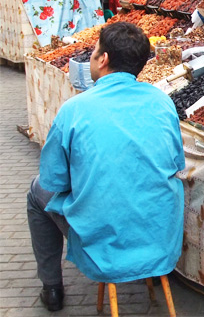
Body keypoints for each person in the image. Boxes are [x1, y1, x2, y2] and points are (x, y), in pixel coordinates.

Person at [26, 22, 185, 312]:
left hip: (104, 242)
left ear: (104, 58)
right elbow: (176, 162)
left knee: (36, 191)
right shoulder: (163, 102)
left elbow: (53, 179)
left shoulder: (75, 109)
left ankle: (52, 288)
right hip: (159, 238)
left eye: (95, 50)